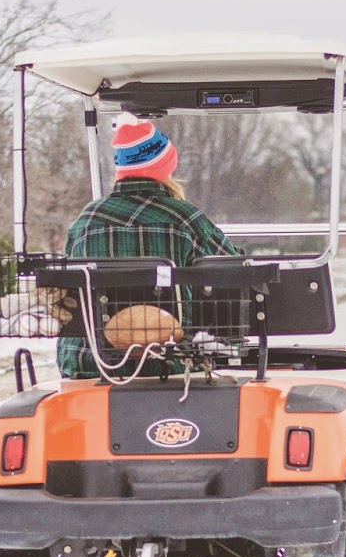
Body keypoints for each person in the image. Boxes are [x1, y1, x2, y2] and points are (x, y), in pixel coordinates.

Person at [56, 116, 240, 379]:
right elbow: (232, 270)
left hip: (91, 362)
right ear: (165, 169)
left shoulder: (86, 220)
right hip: (172, 362)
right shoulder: (185, 218)